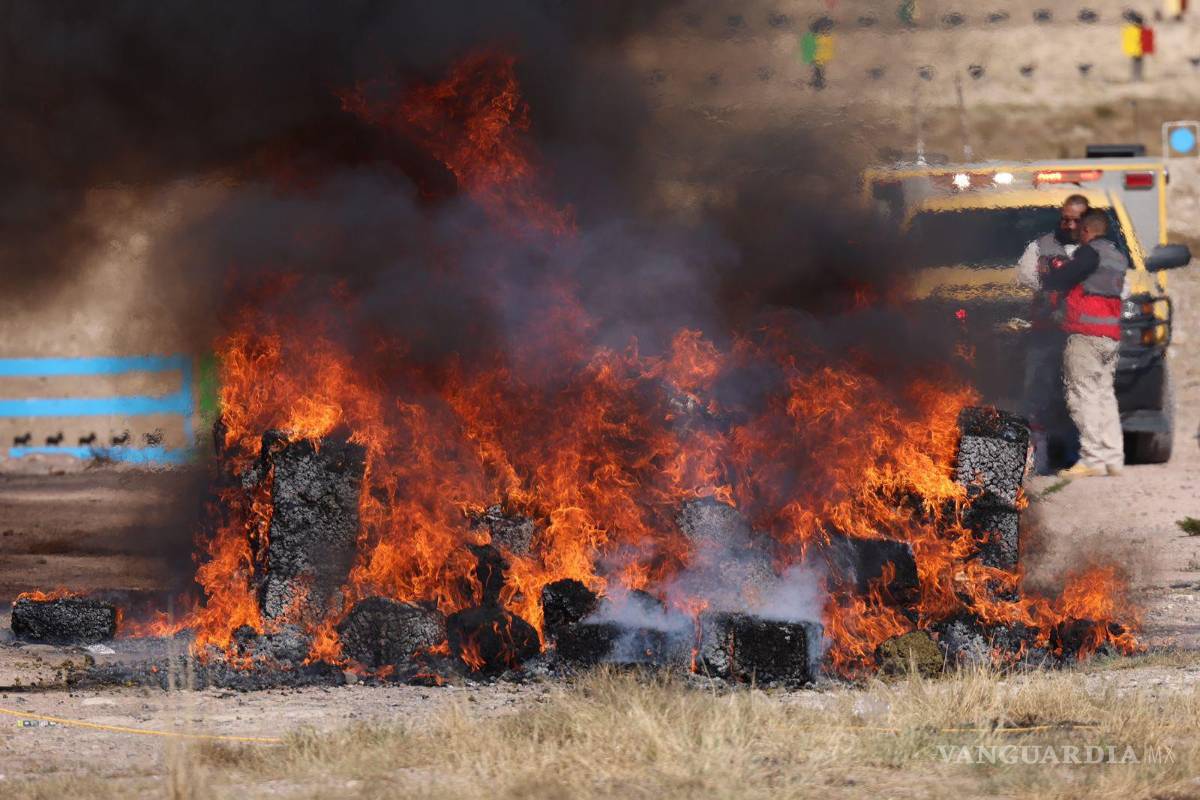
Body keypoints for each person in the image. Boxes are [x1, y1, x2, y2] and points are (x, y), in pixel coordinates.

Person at [1040, 209, 1129, 478]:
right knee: (1104, 395)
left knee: (1082, 395)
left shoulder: (1089, 253)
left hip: (1085, 336)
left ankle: (1092, 459)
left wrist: (1048, 275)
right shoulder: (1118, 256)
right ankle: (1112, 458)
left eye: (1080, 230)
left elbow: (1062, 279)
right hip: (1109, 336)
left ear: (1087, 231)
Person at [1017, 195, 1089, 471]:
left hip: (1081, 339)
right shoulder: (1040, 247)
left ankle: (1076, 458)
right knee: (1038, 398)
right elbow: (1026, 277)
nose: (1069, 225)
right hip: (1045, 337)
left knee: (1078, 398)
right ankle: (1039, 462)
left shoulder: (1096, 249)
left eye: (1076, 220)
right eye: (1065, 219)